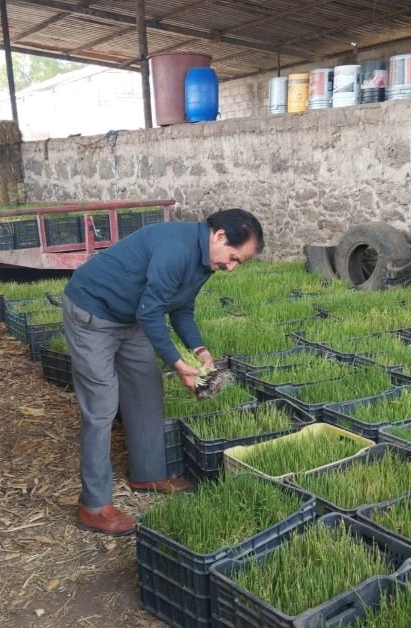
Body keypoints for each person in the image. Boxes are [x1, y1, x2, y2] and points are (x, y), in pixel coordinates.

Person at [61, 209, 265, 535]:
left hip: (132, 317)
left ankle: (148, 474)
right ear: (220, 236)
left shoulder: (205, 261)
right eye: (234, 258)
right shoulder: (176, 248)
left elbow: (180, 308)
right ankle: (94, 506)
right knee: (101, 406)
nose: (231, 267)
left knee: (146, 391)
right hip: (93, 312)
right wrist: (177, 363)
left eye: (238, 263)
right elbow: (152, 311)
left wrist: (198, 350)